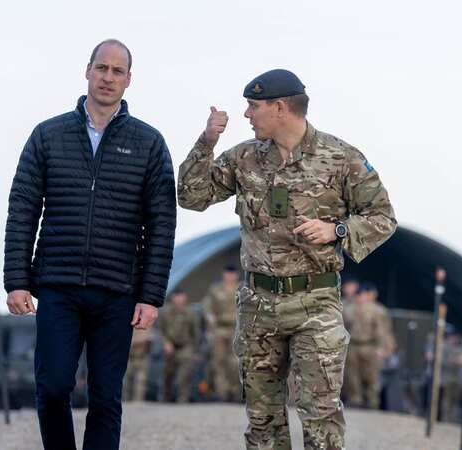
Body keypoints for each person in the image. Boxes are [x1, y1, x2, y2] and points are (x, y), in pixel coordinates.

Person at [177, 69, 397, 449]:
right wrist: (207, 141)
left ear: (281, 107)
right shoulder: (244, 157)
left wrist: (337, 230)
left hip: (316, 303)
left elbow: (383, 218)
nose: (246, 114)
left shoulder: (341, 158)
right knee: (263, 422)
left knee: (321, 418)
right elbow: (190, 196)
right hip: (259, 305)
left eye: (253, 106)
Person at [3, 39, 176, 450]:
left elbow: (162, 225)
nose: (108, 77)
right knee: (53, 385)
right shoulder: (48, 135)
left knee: (105, 397)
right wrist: (17, 280)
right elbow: (23, 208)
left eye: (118, 71)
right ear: (87, 71)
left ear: (129, 80)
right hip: (58, 286)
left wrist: (151, 296)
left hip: (117, 291)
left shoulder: (149, 144)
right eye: (102, 68)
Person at [344, 283, 395, 409]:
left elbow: (383, 331)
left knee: (372, 375)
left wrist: (385, 348)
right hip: (353, 345)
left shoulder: (377, 310)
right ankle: (355, 400)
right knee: (352, 375)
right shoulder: (349, 309)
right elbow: (344, 326)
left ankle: (372, 401)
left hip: (370, 346)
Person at [201, 264, 241, 402]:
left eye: (232, 274)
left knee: (236, 362)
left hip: (237, 329)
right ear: (223, 274)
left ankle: (235, 391)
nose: (230, 276)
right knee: (218, 361)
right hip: (219, 329)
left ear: (236, 275)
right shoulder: (215, 289)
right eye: (227, 274)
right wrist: (209, 318)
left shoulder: (242, 288)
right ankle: (222, 393)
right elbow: (206, 306)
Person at [159, 289, 199, 403]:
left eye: (181, 296)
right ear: (173, 298)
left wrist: (195, 351)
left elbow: (195, 333)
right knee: (168, 373)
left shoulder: (190, 312)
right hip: (170, 346)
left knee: (185, 374)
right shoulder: (166, 312)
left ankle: (183, 399)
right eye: (177, 296)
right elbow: (160, 330)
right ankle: (165, 397)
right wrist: (166, 342)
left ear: (185, 298)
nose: (179, 299)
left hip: (185, 346)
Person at [123, 327, 153, 402]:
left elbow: (149, 340)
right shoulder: (127, 323)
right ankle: (126, 400)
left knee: (141, 381)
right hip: (130, 356)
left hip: (142, 357)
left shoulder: (146, 325)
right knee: (127, 380)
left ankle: (138, 401)